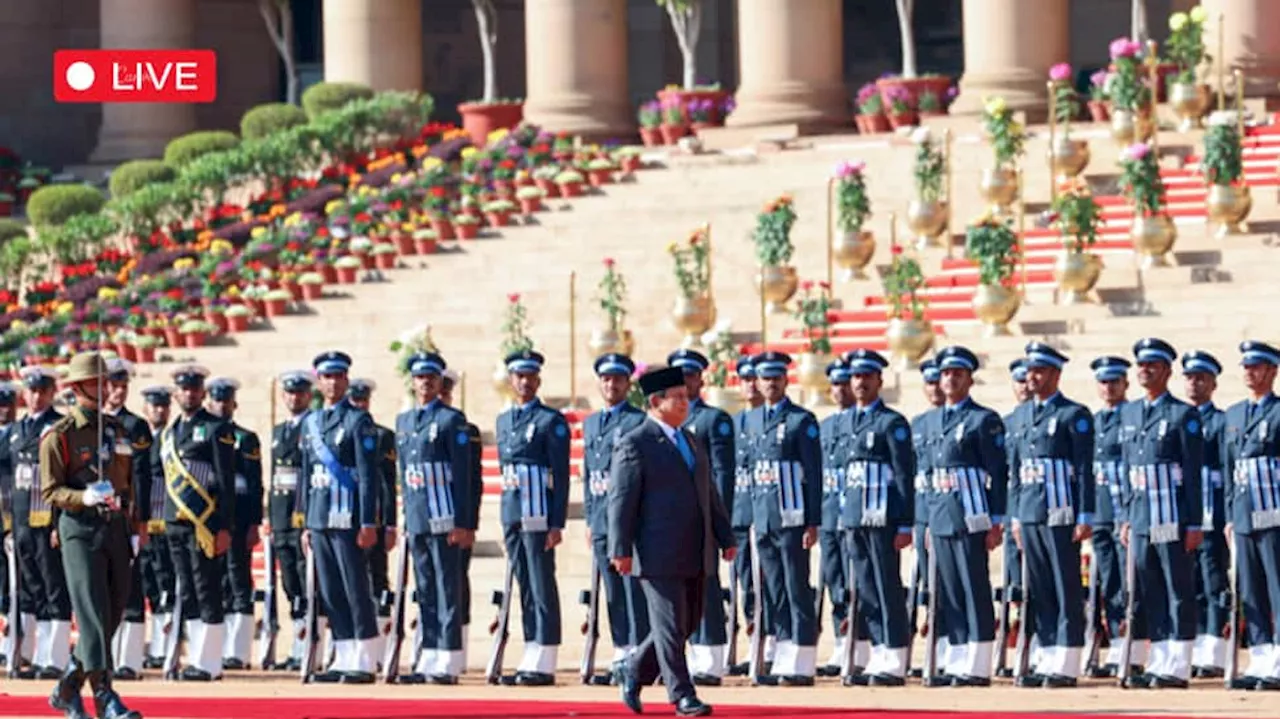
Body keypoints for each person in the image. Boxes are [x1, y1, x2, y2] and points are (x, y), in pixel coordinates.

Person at [609, 366, 734, 718]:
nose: (685, 403)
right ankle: (682, 695)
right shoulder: (636, 442)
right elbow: (621, 499)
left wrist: (725, 536)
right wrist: (620, 548)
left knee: (687, 622)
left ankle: (633, 669)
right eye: (677, 398)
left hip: (696, 548)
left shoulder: (691, 439)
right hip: (656, 551)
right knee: (667, 625)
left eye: (685, 396)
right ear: (656, 402)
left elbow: (709, 493)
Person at [41, 351, 141, 719]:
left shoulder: (116, 430)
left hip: (114, 527)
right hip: (79, 530)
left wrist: (133, 523)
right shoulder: (60, 436)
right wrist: (82, 496)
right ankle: (104, 695)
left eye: (108, 381)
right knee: (93, 617)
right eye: (98, 381)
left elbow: (127, 481)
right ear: (79, 387)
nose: (107, 387)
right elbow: (51, 491)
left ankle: (69, 685)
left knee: (114, 613)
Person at [1006, 343, 1094, 688]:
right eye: (1030, 370)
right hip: (1029, 512)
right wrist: (1015, 516)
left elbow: (1085, 469)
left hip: (1062, 512)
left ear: (1056, 374)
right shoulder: (1021, 416)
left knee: (1065, 584)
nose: (1032, 377)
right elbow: (1016, 472)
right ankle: (1045, 654)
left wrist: (1085, 513)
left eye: (1040, 370)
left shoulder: (1074, 415)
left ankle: (1067, 658)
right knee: (1040, 588)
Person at [1118, 338, 1203, 689]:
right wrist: (1125, 517)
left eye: (1152, 365)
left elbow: (1193, 474)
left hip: (1172, 515)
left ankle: (1179, 664)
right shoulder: (1130, 413)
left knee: (1177, 588)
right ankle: (1159, 659)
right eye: (1141, 364)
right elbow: (1126, 470)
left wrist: (1195, 522)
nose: (1144, 370)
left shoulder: (1183, 415)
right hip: (1140, 516)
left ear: (1167, 370)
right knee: (1149, 589)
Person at [920, 346, 1006, 687]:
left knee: (974, 587)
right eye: (945, 373)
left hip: (972, 515)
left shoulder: (983, 420)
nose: (950, 379)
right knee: (950, 591)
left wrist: (996, 519)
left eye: (957, 373)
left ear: (970, 378)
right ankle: (955, 660)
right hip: (941, 514)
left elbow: (998, 474)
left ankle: (978, 661)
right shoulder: (931, 421)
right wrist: (926, 520)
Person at [298, 351, 381, 684]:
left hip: (347, 515)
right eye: (326, 377)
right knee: (331, 590)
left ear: (346, 381)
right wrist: (305, 521)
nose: (332, 383)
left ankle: (364, 657)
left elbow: (368, 474)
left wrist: (368, 521)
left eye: (338, 377)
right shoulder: (312, 422)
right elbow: (306, 474)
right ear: (319, 382)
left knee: (355, 587)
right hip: (320, 516)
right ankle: (344, 654)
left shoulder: (358, 421)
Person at [392, 352, 475, 684]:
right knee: (425, 588)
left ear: (440, 382)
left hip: (445, 516)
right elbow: (404, 472)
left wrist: (464, 521)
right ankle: (427, 655)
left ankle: (449, 657)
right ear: (412, 382)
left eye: (431, 377)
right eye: (420, 377)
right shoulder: (404, 421)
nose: (425, 383)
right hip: (418, 517)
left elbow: (463, 475)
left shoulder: (452, 420)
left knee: (446, 587)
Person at [839, 349, 915, 686]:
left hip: (883, 518)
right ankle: (878, 652)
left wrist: (905, 522)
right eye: (856, 377)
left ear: (879, 381)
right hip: (855, 516)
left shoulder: (891, 422)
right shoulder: (845, 421)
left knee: (887, 586)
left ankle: (896, 655)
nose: (860, 382)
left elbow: (903, 475)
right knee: (867, 589)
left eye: (867, 377)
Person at [494, 349, 570, 685]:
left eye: (530, 376)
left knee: (541, 584)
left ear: (538, 380)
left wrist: (557, 522)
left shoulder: (550, 421)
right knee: (524, 584)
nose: (524, 382)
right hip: (513, 510)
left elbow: (561, 474)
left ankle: (546, 654)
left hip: (539, 512)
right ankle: (530, 649)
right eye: (518, 376)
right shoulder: (503, 420)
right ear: (510, 380)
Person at [746, 350, 821, 684]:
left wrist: (813, 520)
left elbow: (814, 474)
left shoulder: (801, 421)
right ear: (758, 383)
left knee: (795, 587)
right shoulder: (751, 420)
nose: (771, 383)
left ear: (785, 380)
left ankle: (802, 658)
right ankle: (782, 652)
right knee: (774, 590)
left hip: (792, 519)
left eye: (776, 377)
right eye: (765, 378)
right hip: (764, 518)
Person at [160, 364, 236, 681]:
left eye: (194, 388)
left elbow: (226, 481)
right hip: (175, 523)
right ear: (176, 394)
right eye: (183, 388)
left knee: (207, 590)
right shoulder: (169, 432)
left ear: (202, 393)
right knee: (186, 590)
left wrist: (223, 527)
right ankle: (195, 658)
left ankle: (210, 663)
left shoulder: (217, 428)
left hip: (204, 525)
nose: (189, 393)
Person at [667, 348, 735, 683]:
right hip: (672, 520)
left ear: (700, 379)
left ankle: (711, 655)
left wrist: (719, 521)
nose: (685, 381)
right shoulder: (665, 423)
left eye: (690, 375)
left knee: (706, 585)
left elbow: (722, 475)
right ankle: (691, 653)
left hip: (704, 518)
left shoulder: (713, 420)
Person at [581, 353, 648, 677]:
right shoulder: (592, 422)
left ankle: (639, 651)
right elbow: (589, 472)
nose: (611, 384)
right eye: (606, 379)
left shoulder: (637, 421)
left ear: (627, 383)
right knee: (612, 592)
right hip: (601, 520)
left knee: (633, 590)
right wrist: (591, 520)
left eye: (618, 379)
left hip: (629, 521)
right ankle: (622, 650)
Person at [1222, 340, 1280, 690]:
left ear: (1272, 371)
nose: (1249, 372)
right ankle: (1260, 659)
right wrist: (1230, 516)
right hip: (1244, 515)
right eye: (1245, 366)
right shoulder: (1233, 415)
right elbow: (1230, 470)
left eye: (1256, 366)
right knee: (1251, 593)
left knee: (1277, 587)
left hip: (1274, 513)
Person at [12, 365, 69, 679]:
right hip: (21, 523)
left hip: (48, 521)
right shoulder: (17, 430)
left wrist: (59, 525)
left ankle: (54, 658)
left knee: (53, 588)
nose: (35, 397)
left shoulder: (57, 427)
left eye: (42, 392)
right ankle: (28, 654)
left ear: (51, 393)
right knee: (29, 590)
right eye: (31, 391)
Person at [101, 359, 154, 681]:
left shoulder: (135, 427)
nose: (118, 392)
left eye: (123, 387)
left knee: (129, 587)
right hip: (95, 516)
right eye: (113, 385)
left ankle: (130, 660)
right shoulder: (92, 424)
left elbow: (143, 477)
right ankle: (104, 655)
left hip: (125, 516)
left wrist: (142, 521)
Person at [205, 377, 262, 670]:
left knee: (238, 579)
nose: (221, 405)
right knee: (216, 581)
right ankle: (218, 647)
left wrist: (255, 523)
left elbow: (254, 484)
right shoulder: (203, 435)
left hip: (238, 517)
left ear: (234, 405)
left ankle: (239, 651)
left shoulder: (245, 438)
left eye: (226, 400)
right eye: (216, 400)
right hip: (209, 519)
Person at [1181, 351, 1230, 679]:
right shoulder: (1179, 417)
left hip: (1212, 513)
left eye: (1201, 378)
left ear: (1213, 384)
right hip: (1184, 514)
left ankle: (1214, 649)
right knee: (1190, 583)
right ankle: (1195, 646)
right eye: (1189, 377)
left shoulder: (1221, 421)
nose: (1194, 383)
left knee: (1214, 583)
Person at [1087, 356, 1136, 678]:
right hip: (1102, 514)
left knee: (1131, 584)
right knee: (1109, 584)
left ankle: (1133, 648)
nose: (1108, 388)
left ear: (1125, 384)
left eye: (1114, 382)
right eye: (1103, 382)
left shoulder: (1131, 417)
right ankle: (1117, 646)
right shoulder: (1093, 421)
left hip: (1126, 512)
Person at [347, 378, 398, 664]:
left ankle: (379, 648)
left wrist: (389, 523)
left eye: (363, 400)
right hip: (344, 518)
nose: (359, 404)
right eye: (355, 400)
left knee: (377, 579)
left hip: (373, 518)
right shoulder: (339, 429)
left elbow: (388, 483)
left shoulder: (381, 435)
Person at [266, 370, 314, 671]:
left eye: (300, 393)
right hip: (282, 518)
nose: (294, 398)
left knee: (307, 581)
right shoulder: (278, 431)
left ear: (309, 395)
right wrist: (270, 517)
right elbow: (274, 479)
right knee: (290, 584)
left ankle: (310, 643)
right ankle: (298, 642)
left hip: (303, 515)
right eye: (289, 393)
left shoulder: (314, 427)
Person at [817, 358, 857, 676]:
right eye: (834, 384)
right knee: (835, 582)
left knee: (860, 582)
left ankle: (863, 642)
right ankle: (842, 642)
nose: (839, 390)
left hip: (856, 515)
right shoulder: (826, 426)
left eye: (845, 383)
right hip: (830, 516)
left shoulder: (860, 423)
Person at [441, 368, 481, 670]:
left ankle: (459, 643)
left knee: (455, 583)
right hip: (431, 517)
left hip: (456, 518)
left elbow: (471, 481)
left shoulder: (466, 430)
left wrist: (468, 523)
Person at [728, 356, 765, 676]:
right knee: (746, 583)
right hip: (739, 513)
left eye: (755, 378)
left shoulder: (768, 421)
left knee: (768, 582)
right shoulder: (735, 423)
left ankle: (771, 644)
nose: (751, 385)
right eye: (745, 379)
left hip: (765, 513)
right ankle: (755, 644)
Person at [910, 358, 944, 678]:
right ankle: (933, 647)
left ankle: (947, 647)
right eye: (929, 382)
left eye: (939, 380)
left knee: (948, 582)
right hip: (922, 513)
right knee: (925, 584)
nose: (935, 387)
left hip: (946, 513)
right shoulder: (918, 424)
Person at [138, 386, 176, 670]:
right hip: (142, 522)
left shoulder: (172, 438)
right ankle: (149, 645)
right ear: (145, 409)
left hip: (164, 520)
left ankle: (165, 647)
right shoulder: (139, 437)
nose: (159, 410)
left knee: (166, 585)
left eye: (163, 406)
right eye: (154, 406)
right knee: (147, 583)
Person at [999, 357, 1030, 677]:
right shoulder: (1005, 424)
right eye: (1018, 380)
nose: (1024, 386)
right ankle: (1018, 643)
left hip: (1037, 513)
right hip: (1011, 514)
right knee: (1015, 584)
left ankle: (1037, 645)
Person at [0, 380, 18, 669]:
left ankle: (9, 645)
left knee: (10, 585)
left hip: (11, 517)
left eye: (7, 404)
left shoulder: (20, 433)